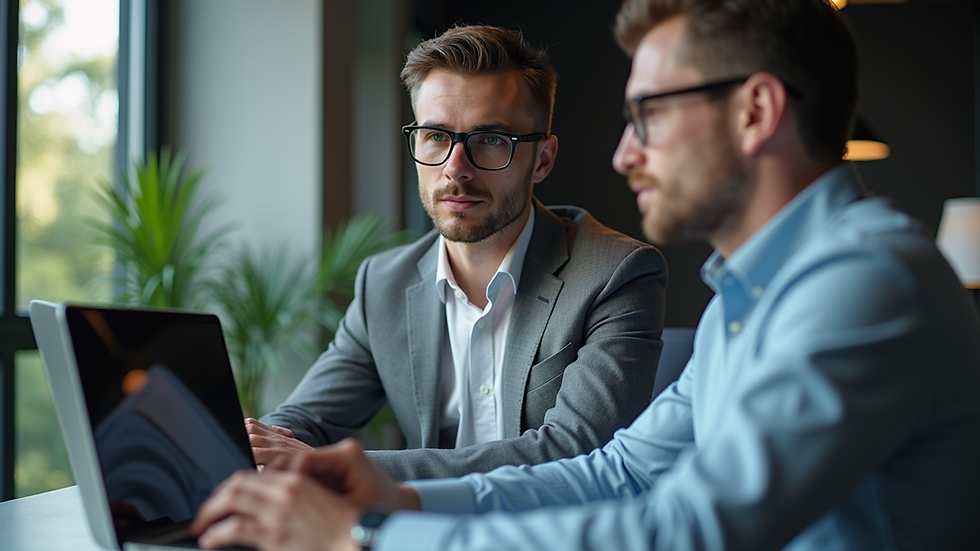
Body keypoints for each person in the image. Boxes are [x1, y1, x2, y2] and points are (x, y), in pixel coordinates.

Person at [191, 1, 980, 549]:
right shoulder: (754, 296)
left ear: (755, 111)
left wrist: (368, 535)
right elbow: (623, 468)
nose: (624, 155)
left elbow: (688, 532)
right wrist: (397, 496)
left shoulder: (864, 283)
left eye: (649, 116)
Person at [247, 24, 668, 482]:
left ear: (542, 160)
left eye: (490, 140)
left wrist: (349, 469)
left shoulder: (616, 274)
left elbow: (576, 455)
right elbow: (305, 422)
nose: (455, 169)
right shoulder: (384, 284)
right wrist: (257, 444)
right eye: (435, 136)